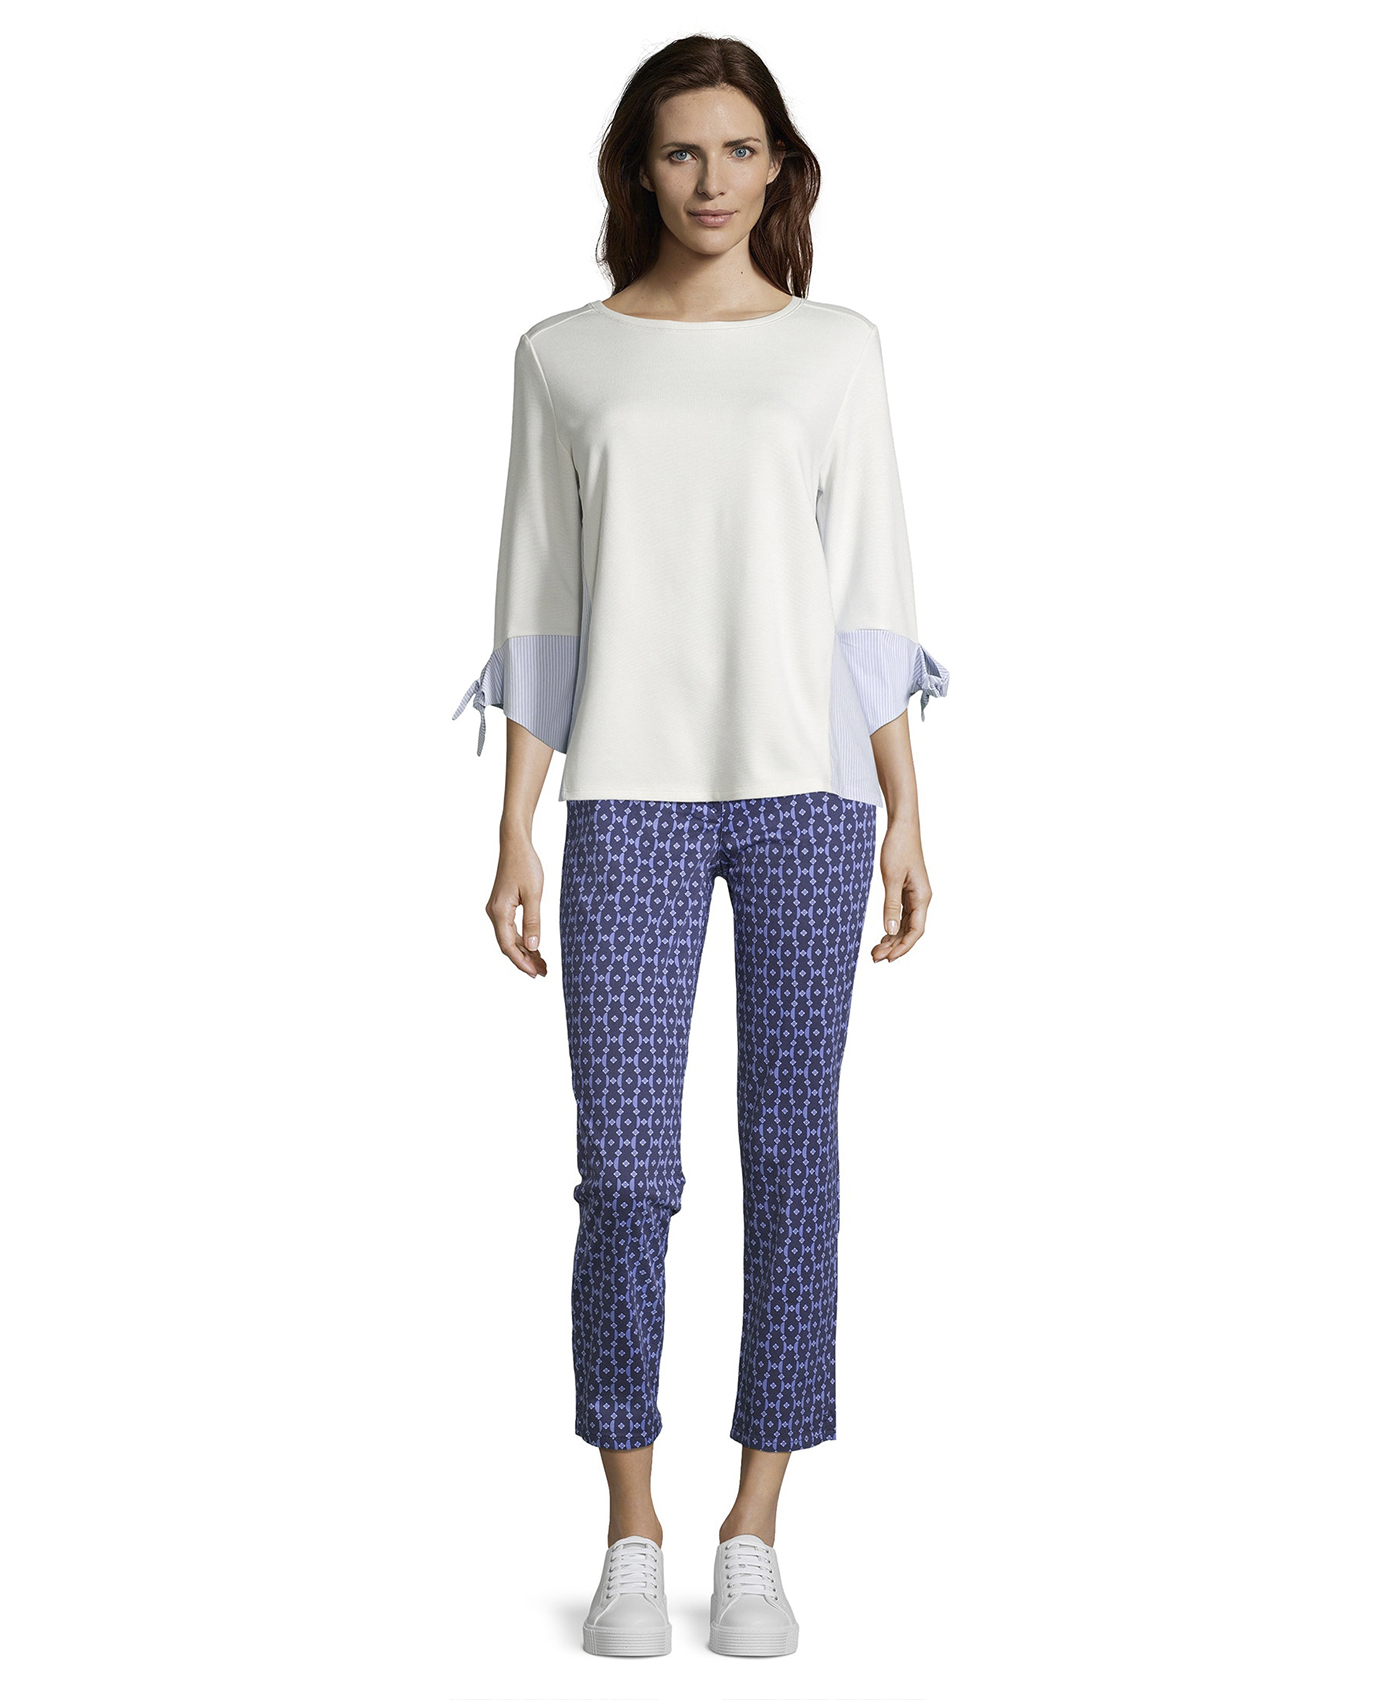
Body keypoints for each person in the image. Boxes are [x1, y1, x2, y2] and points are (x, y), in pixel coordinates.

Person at [453, 34, 949, 1660]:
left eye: (741, 150)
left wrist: (906, 809)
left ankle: (754, 1530)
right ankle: (630, 1525)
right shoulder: (565, 357)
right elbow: (540, 594)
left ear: (780, 167)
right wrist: (514, 824)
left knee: (792, 1160)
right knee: (626, 1173)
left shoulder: (836, 351)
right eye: (682, 152)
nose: (713, 181)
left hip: (811, 800)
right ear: (638, 172)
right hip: (630, 805)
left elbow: (869, 590)